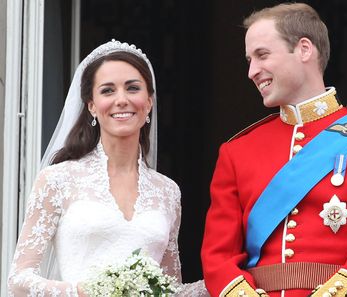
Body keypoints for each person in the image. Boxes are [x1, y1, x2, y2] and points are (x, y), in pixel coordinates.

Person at [201, 3, 347, 297]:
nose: (252, 71)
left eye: (262, 55)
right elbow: (217, 258)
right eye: (249, 59)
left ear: (304, 49)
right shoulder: (236, 151)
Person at [8, 39, 208, 296]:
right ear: (91, 105)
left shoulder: (168, 192)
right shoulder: (57, 179)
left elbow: (170, 288)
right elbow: (19, 280)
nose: (121, 99)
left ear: (148, 102)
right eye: (108, 91)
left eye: (132, 88)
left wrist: (222, 282)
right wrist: (86, 292)